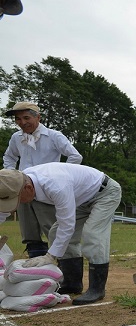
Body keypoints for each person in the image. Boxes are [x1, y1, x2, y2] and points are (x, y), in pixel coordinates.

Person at [0, 163, 122, 305]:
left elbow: (67, 225)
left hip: (105, 193)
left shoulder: (55, 185)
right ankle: (72, 283)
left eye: (17, 198)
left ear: (28, 188)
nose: (18, 203)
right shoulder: (19, 180)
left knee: (93, 234)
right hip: (82, 200)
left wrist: (50, 256)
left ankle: (97, 289)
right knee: (55, 232)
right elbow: (2, 213)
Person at [3, 102, 83, 272]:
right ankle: (36, 272)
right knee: (29, 233)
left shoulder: (54, 136)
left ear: (38, 117)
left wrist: (63, 175)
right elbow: (9, 157)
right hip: (23, 191)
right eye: (18, 119)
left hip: (47, 190)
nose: (22, 122)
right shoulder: (16, 138)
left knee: (53, 230)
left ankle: (65, 273)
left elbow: (75, 156)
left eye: (26, 117)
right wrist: (13, 177)